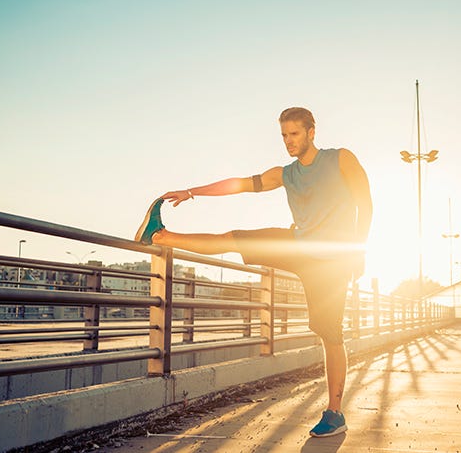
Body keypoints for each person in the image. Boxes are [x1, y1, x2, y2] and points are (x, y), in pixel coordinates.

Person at [135, 107, 372, 437]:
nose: (289, 141)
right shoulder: (285, 173)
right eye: (284, 136)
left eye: (295, 134)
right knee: (232, 239)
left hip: (332, 259)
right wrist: (191, 192)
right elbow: (241, 185)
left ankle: (335, 412)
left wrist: (357, 250)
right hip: (296, 245)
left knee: (329, 332)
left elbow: (366, 201)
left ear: (311, 132)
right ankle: (159, 235)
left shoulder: (340, 159)